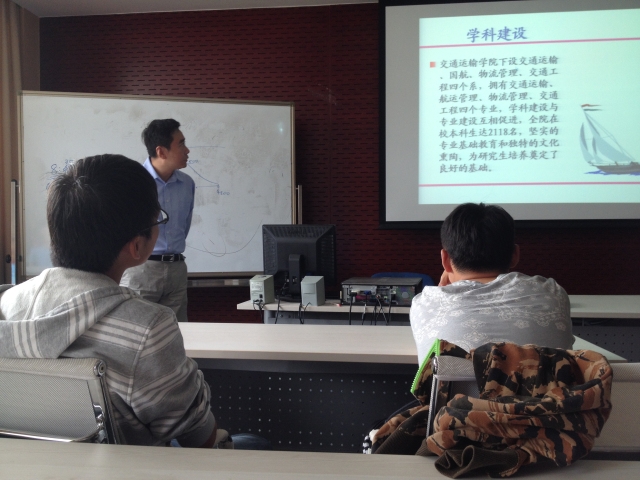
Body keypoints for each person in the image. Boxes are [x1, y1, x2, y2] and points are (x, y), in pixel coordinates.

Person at [0, 154, 217, 447]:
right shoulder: (148, 329)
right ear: (138, 246)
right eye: (158, 219)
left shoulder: (7, 303)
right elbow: (198, 436)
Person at [410, 202, 572, 364]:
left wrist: (441, 291)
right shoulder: (554, 294)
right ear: (515, 255)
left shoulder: (423, 304)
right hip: (543, 382)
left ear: (445, 259)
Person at [120, 119, 195, 322]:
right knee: (135, 330)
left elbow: (184, 226)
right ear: (161, 151)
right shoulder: (132, 182)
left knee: (177, 331)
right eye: (181, 144)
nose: (187, 150)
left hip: (177, 269)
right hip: (142, 269)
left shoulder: (187, 183)